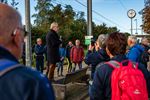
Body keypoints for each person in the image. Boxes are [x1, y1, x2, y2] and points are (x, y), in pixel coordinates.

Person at [0, 4, 55, 100]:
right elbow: (38, 51)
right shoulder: (33, 82)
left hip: (41, 58)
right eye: (24, 34)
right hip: (38, 59)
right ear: (17, 36)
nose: (24, 40)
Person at [90, 32, 150, 100]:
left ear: (107, 50)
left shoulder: (102, 70)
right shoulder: (140, 67)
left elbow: (95, 97)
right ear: (125, 49)